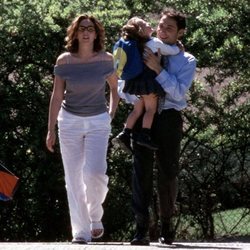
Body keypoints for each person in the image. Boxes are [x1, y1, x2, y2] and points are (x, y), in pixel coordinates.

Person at [45, 14, 119, 244]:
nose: (86, 32)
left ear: (97, 33)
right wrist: (50, 129)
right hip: (69, 122)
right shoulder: (64, 61)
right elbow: (57, 96)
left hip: (98, 121)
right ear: (74, 33)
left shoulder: (106, 60)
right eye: (81, 28)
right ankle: (81, 231)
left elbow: (115, 91)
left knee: (94, 173)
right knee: (74, 178)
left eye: (90, 28)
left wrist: (110, 116)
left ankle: (95, 216)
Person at [129, 8, 196, 246]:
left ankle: (167, 225)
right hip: (143, 114)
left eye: (169, 28)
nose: (162, 31)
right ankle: (141, 228)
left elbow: (178, 92)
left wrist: (158, 69)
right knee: (140, 171)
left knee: (168, 173)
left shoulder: (187, 60)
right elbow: (124, 85)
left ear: (180, 32)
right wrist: (139, 97)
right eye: (160, 26)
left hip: (168, 117)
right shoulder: (140, 47)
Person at [112, 17, 181, 153]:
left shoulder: (134, 43)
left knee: (137, 110)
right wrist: (178, 48)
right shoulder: (153, 42)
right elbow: (171, 51)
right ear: (142, 30)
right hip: (147, 82)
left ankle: (125, 133)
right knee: (151, 109)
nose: (150, 24)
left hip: (134, 82)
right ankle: (144, 134)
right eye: (146, 24)